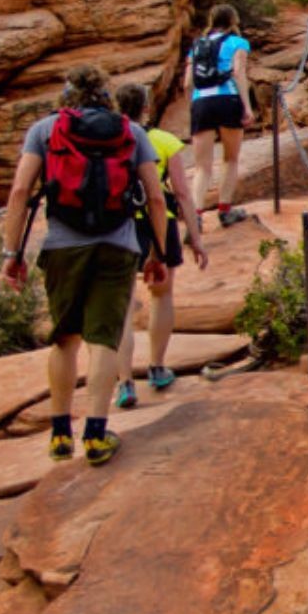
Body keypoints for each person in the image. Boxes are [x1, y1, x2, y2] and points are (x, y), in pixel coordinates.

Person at [0, 66, 170, 467]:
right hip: (117, 245)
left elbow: (21, 190)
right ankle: (95, 435)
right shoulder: (131, 132)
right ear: (106, 95)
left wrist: (12, 254)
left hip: (63, 245)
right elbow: (155, 198)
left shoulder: (45, 130)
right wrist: (157, 254)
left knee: (65, 338)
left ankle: (60, 434)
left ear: (66, 95)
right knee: (103, 339)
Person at [113, 82, 209, 410]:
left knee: (122, 305)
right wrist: (195, 237)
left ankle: (124, 382)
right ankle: (156, 367)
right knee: (161, 294)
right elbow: (181, 192)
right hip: (159, 222)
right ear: (146, 108)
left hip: (119, 225)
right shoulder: (164, 141)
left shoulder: (108, 142)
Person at [186, 2, 253, 227]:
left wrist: (194, 107)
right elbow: (238, 73)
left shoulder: (196, 45)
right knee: (230, 158)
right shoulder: (238, 43)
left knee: (201, 166)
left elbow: (188, 83)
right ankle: (225, 211)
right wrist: (247, 106)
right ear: (233, 21)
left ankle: (195, 215)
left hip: (201, 102)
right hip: (228, 100)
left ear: (211, 21)